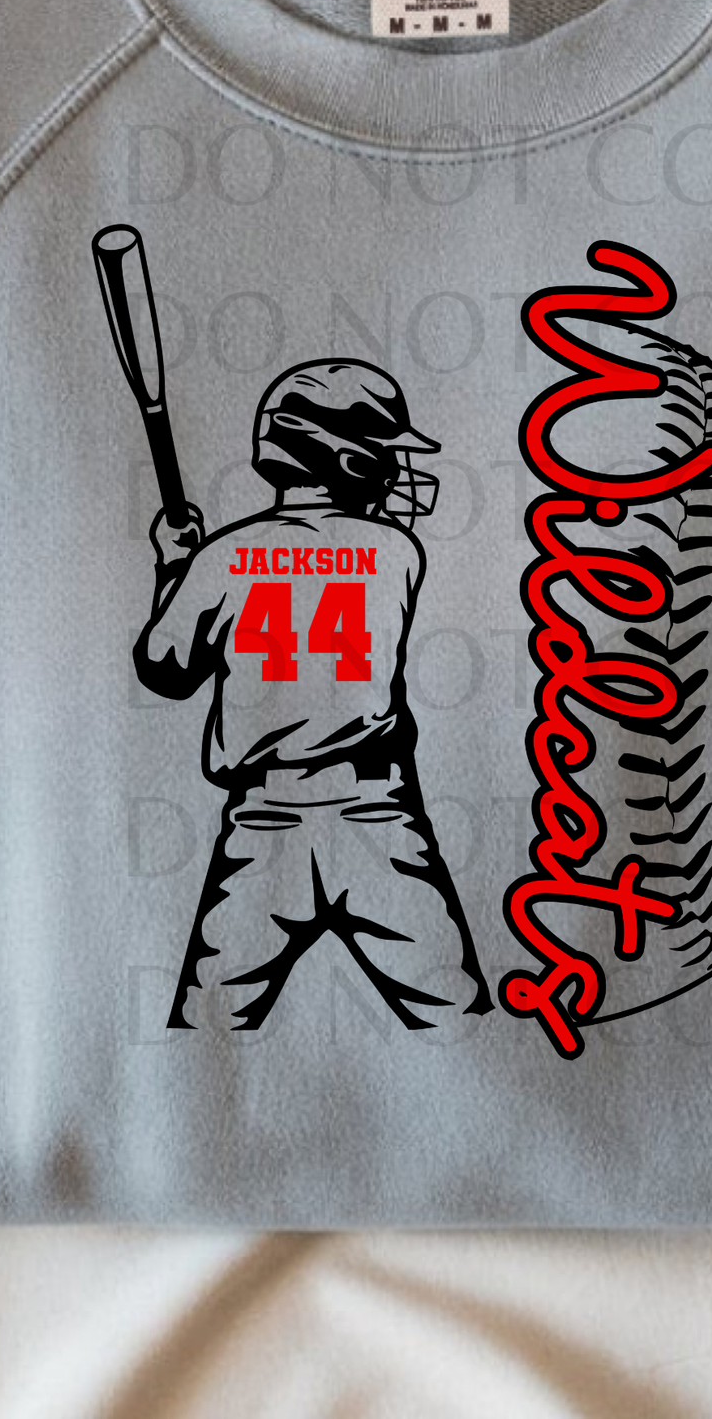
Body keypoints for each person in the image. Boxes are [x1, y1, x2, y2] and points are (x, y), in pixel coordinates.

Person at [135, 358, 492, 1032]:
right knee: (457, 1020)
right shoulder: (396, 550)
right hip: (377, 820)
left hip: (262, 825)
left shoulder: (224, 557)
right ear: (347, 457)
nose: (394, 469)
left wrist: (176, 567)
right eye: (383, 452)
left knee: (210, 1029)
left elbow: (167, 671)